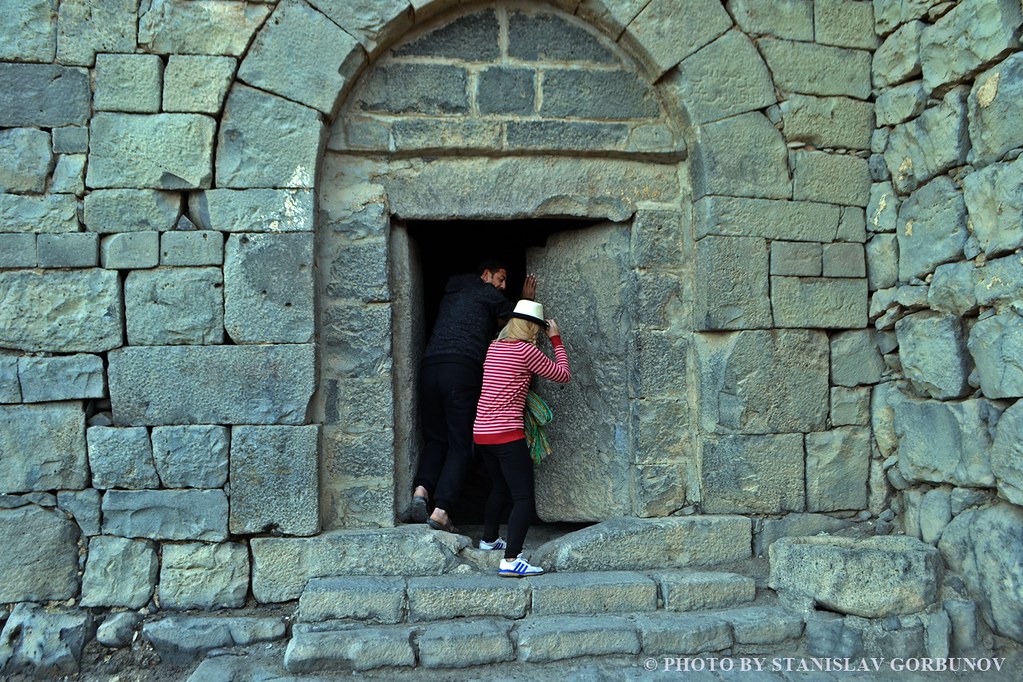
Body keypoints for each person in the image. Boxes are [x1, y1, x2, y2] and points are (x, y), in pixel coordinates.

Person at [411, 260, 537, 534]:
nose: (503, 286)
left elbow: (495, 320)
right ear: (486, 274)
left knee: (436, 439)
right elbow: (517, 322)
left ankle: (421, 491)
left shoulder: (454, 292)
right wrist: (526, 300)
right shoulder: (485, 291)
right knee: (461, 445)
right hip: (461, 369)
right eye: (501, 278)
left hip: (430, 367)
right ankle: (441, 511)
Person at [473, 299, 570, 577]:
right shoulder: (527, 351)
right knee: (523, 498)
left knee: (499, 487)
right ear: (533, 328)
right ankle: (511, 559)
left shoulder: (494, 347)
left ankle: (489, 539)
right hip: (507, 434)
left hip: (481, 433)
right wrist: (556, 339)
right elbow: (563, 375)